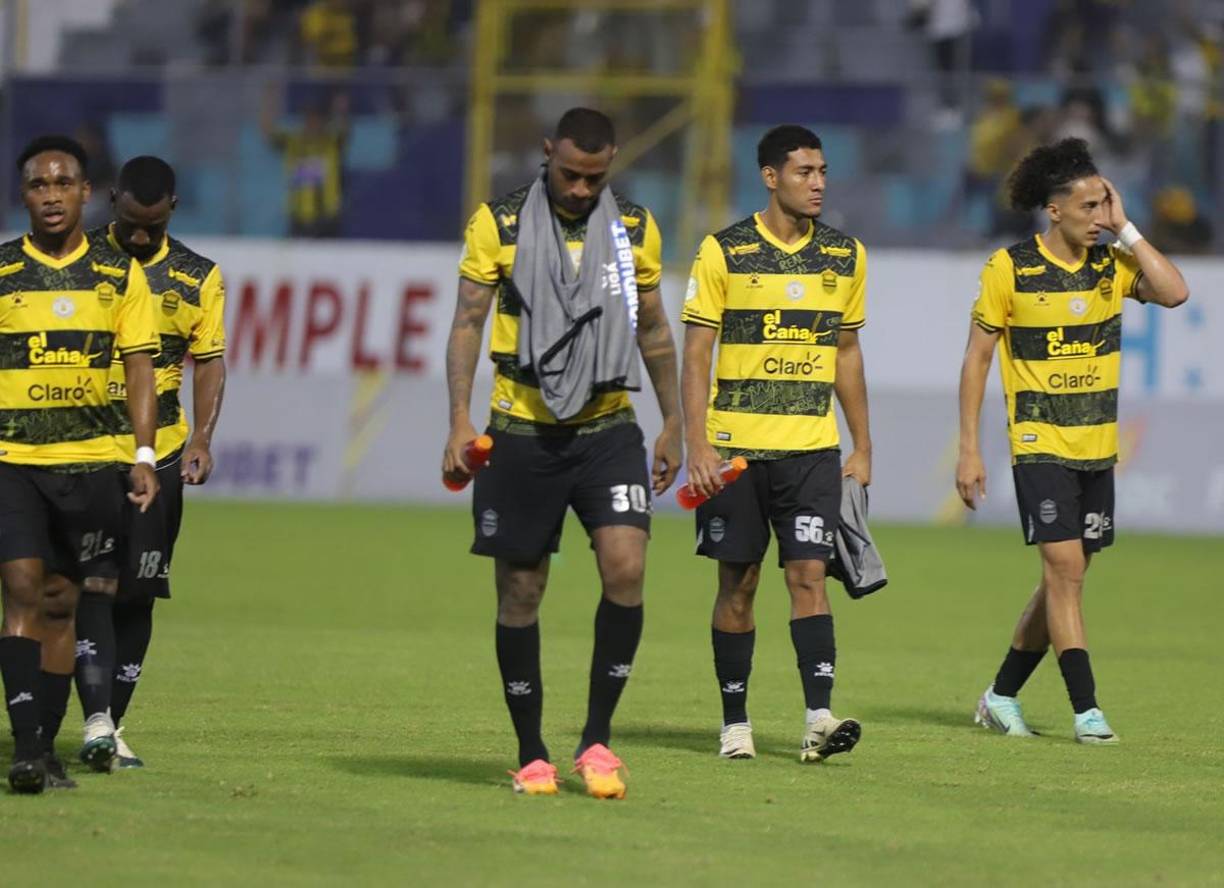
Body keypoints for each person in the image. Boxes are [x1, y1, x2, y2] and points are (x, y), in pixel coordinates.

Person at [443, 108, 681, 798]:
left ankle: (598, 742)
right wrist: (459, 418)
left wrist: (674, 425)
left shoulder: (634, 228)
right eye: (571, 174)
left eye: (595, 177)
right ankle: (531, 752)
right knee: (522, 590)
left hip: (608, 428)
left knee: (626, 567)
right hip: (520, 430)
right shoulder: (500, 224)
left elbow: (657, 329)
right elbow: (466, 323)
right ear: (547, 153)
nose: (581, 189)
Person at [957, 138, 1189, 744]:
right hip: (1038, 441)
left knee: (1065, 577)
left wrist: (1129, 227)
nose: (1100, 216)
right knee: (1064, 568)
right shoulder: (1010, 268)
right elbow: (978, 357)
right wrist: (969, 447)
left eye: (1105, 204)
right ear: (1054, 210)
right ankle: (1087, 711)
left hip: (1096, 445)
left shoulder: (1113, 265)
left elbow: (1175, 292)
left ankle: (1001, 694)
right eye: (1089, 206)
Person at [680, 124, 872, 764]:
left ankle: (819, 716)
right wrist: (698, 445)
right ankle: (736, 722)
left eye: (822, 171)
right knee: (738, 583)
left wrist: (862, 443)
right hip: (735, 452)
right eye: (803, 172)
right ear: (770, 176)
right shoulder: (724, 251)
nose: (817, 183)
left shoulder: (845, 256)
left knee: (809, 575)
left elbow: (846, 351)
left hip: (812, 451)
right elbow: (697, 352)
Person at [0, 135, 160, 793]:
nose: (51, 195)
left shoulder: (120, 275)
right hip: (14, 459)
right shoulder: (3, 272)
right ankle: (29, 747)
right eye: (39, 185)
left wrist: (145, 453)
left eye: (63, 183)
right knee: (20, 590)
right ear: (25, 195)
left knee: (64, 605)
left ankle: (45, 743)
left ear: (86, 192)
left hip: (95, 465)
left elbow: (141, 368)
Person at [73, 156, 227, 771]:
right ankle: (93, 718)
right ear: (111, 201)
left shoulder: (196, 277)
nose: (139, 237)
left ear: (172, 212)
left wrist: (204, 437)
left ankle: (115, 721)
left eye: (152, 226)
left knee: (139, 595)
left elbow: (209, 359)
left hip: (159, 455)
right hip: (82, 450)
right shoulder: (79, 266)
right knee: (85, 587)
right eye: (131, 223)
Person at [261, 86, 349, 238]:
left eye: (317, 119)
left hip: (327, 218)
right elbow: (267, 131)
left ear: (324, 121)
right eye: (309, 118)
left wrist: (341, 110)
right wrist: (269, 103)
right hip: (298, 216)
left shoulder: (331, 142)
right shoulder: (293, 142)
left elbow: (345, 128)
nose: (313, 123)